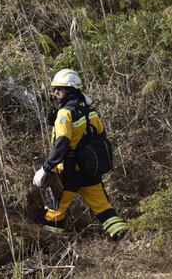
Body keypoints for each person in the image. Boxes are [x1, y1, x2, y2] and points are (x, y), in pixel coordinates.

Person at [33, 68, 127, 241]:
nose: (55, 92)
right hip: (90, 172)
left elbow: (61, 144)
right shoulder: (91, 111)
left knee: (54, 212)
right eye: (55, 89)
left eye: (59, 89)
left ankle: (52, 250)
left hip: (68, 174)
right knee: (104, 209)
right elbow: (101, 136)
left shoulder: (65, 113)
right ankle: (124, 240)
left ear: (70, 90)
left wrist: (45, 168)